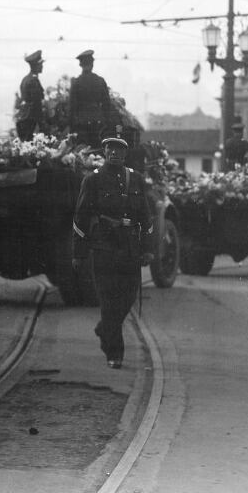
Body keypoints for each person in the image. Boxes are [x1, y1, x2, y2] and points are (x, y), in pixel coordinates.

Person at [71, 132, 153, 368]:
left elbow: (145, 216)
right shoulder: (92, 180)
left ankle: (104, 328)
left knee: (128, 296)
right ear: (104, 152)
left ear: (125, 153)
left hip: (130, 248)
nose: (115, 153)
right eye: (111, 149)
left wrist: (147, 249)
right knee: (108, 300)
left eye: (119, 149)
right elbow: (80, 218)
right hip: (104, 246)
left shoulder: (135, 179)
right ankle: (114, 353)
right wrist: (79, 252)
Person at [69, 50, 114, 147]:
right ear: (92, 64)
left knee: (82, 153)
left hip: (81, 125)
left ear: (80, 64)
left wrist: (72, 128)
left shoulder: (76, 83)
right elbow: (107, 105)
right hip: (98, 124)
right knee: (98, 152)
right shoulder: (100, 81)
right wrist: (107, 123)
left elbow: (72, 108)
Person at [16, 50, 45, 140]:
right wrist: (42, 126)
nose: (42, 66)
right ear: (36, 66)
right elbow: (36, 105)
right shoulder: (33, 81)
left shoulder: (25, 79)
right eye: (41, 64)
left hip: (24, 119)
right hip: (31, 121)